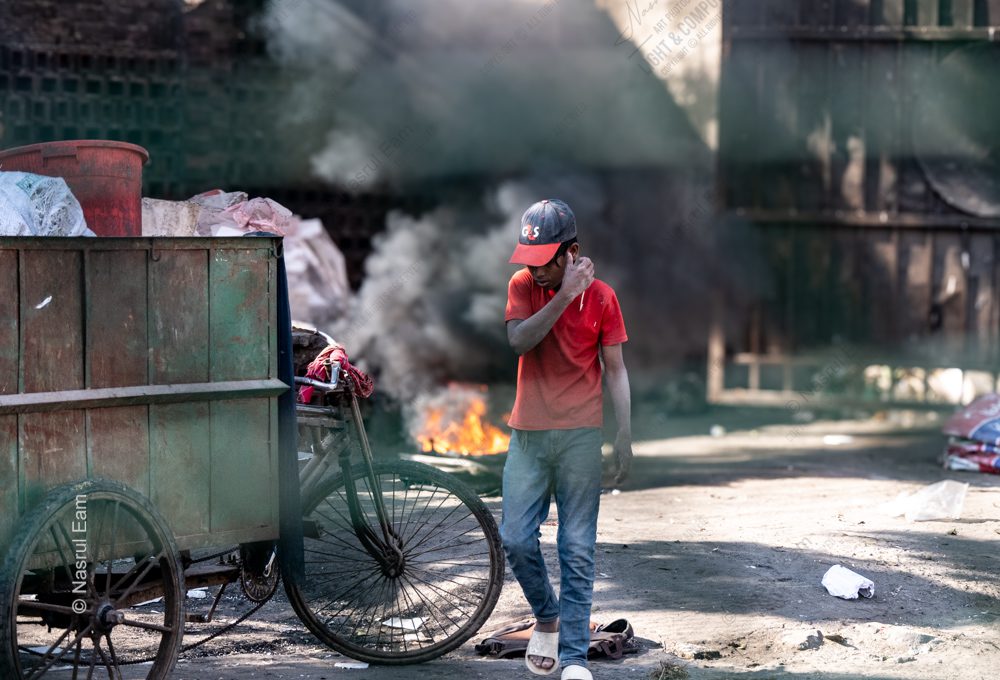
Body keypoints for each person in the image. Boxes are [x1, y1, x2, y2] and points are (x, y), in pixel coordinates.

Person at [501, 198, 632, 680]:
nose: (534, 270)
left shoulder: (603, 298)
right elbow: (519, 341)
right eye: (528, 260)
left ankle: (574, 658)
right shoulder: (522, 286)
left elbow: (616, 371)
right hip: (528, 437)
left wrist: (624, 434)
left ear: (570, 252)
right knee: (514, 538)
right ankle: (548, 615)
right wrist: (561, 294)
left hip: (580, 440)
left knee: (576, 548)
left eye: (544, 261)